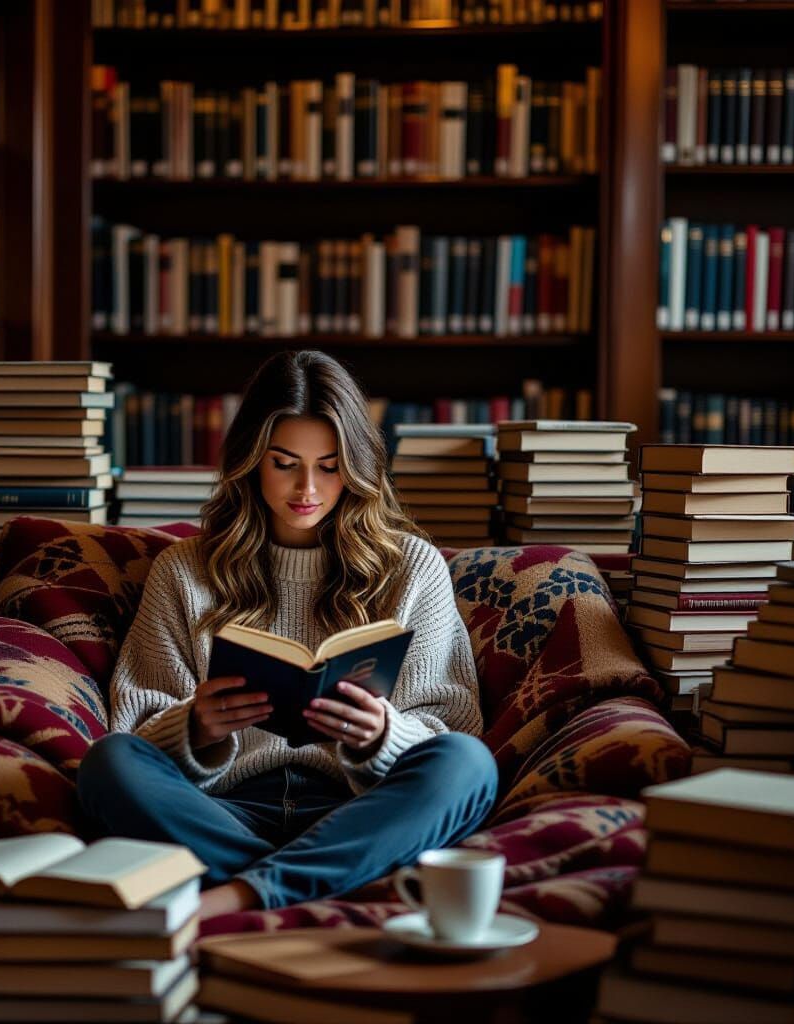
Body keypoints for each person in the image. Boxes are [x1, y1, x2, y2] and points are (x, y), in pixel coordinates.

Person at [77, 350, 498, 919]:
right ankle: (315, 879)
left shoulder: (412, 567)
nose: (307, 488)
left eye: (329, 466)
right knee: (110, 763)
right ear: (250, 461)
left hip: (356, 808)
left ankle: (242, 893)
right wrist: (196, 726)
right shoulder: (184, 570)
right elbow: (134, 722)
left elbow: (452, 721)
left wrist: (381, 735)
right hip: (224, 811)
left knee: (469, 764)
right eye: (284, 463)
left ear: (356, 468)